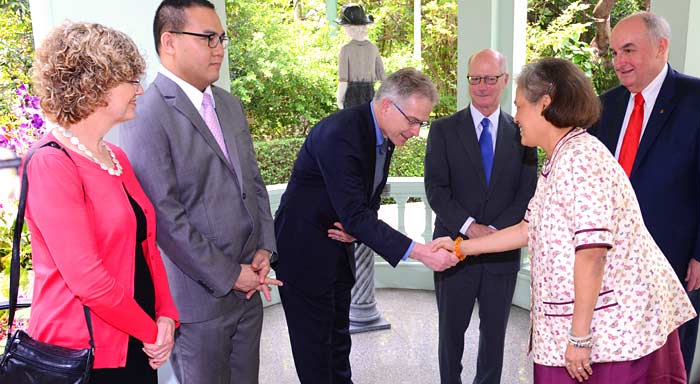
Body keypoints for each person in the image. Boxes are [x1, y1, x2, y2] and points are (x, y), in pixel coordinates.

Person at [433, 57, 696, 383]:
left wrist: (579, 337)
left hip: (612, 334)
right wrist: (460, 249)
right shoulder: (559, 158)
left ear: (545, 104)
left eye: (519, 107)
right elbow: (525, 230)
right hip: (583, 325)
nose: (515, 118)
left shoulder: (580, 159)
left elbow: (592, 252)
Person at [119, 1, 280, 383]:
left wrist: (265, 248)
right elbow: (165, 217)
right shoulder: (147, 111)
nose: (219, 48)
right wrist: (228, 275)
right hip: (197, 300)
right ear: (169, 41)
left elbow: (253, 184)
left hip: (248, 289)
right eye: (208, 38)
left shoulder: (228, 104)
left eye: (221, 38)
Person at [273, 67, 459, 384]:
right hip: (303, 257)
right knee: (316, 354)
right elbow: (356, 213)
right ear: (387, 106)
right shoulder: (341, 133)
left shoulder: (383, 135)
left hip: (337, 252)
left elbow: (364, 205)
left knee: (338, 346)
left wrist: (355, 226)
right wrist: (421, 252)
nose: (416, 132)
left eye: (421, 123)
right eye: (413, 121)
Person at [24, 22, 179, 383]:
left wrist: (167, 317)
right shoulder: (50, 163)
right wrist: (151, 331)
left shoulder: (117, 158)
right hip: (86, 355)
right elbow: (88, 280)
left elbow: (148, 247)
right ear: (95, 87)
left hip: (138, 341)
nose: (139, 90)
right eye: (129, 80)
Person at [589, 12, 700, 374]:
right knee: (615, 353)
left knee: (668, 358)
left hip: (672, 260)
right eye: (614, 52)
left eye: (628, 50)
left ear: (661, 47)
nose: (619, 62)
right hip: (608, 258)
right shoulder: (606, 105)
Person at [424, 48, 537, 384]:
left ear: (504, 80)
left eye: (491, 78)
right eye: (476, 79)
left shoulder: (523, 131)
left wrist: (495, 234)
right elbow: (436, 189)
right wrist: (471, 228)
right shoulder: (443, 130)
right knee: (450, 332)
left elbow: (526, 192)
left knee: (494, 335)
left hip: (502, 255)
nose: (482, 86)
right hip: (454, 250)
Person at [336, 3, 385, 109]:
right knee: (367, 124)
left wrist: (339, 101)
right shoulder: (373, 48)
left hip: (351, 96)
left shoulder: (346, 50)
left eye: (345, 26)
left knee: (353, 124)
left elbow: (343, 81)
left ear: (350, 27)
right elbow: (383, 79)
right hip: (370, 94)